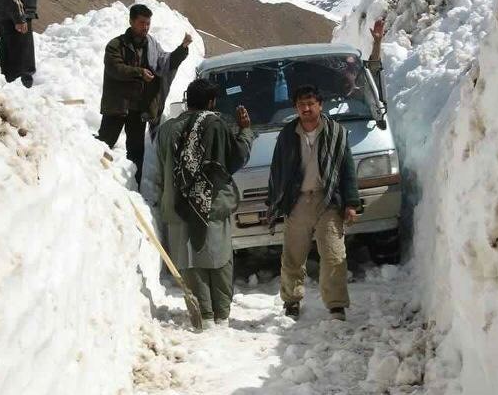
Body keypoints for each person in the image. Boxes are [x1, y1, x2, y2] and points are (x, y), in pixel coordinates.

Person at [152, 79, 254, 330]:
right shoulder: (215, 125)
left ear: (187, 101)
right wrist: (245, 131)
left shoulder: (166, 130)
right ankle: (221, 317)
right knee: (219, 260)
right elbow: (235, 158)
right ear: (212, 102)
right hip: (212, 205)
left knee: (190, 262)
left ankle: (204, 318)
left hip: (178, 207)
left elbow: (160, 169)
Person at [267, 84, 360, 321]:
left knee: (333, 255)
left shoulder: (337, 132)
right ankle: (291, 301)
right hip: (298, 202)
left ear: (320, 105)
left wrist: (350, 202)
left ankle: (336, 305)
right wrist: (274, 201)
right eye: (301, 104)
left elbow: (347, 170)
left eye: (310, 103)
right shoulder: (288, 134)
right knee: (293, 257)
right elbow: (277, 169)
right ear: (296, 107)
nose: (306, 108)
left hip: (328, 200)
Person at [97, 4, 192, 187]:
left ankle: (134, 189)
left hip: (138, 109)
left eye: (148, 23)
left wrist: (182, 49)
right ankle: (98, 184)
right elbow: (115, 69)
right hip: (117, 106)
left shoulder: (152, 45)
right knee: (104, 145)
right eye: (142, 23)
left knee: (136, 153)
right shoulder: (116, 45)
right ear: (131, 21)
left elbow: (165, 63)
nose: (145, 27)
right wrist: (139, 72)